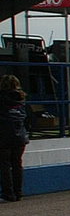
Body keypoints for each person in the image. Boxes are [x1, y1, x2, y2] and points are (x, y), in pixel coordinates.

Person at [1, 74, 27, 202]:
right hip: (20, 135)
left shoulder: (2, 98)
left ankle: (8, 193)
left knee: (5, 165)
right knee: (17, 164)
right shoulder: (21, 98)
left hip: (3, 135)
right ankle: (18, 192)